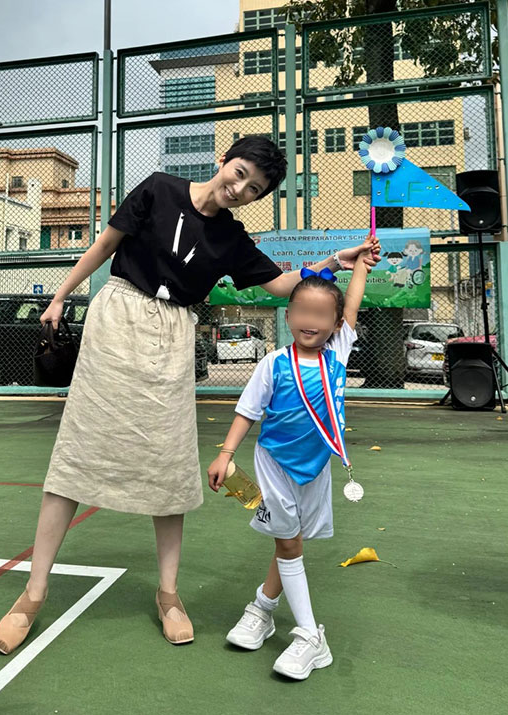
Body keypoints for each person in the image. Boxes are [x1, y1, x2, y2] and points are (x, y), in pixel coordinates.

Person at [0, 135, 379, 655]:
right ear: (224, 161)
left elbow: (283, 285)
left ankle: (169, 595)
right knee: (75, 456)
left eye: (255, 188)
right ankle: (32, 595)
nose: (240, 188)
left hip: (174, 337)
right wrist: (61, 295)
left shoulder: (234, 239)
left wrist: (338, 259)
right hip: (116, 319)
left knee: (169, 464)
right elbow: (106, 244)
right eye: (239, 173)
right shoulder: (158, 189)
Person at [207, 248, 370, 680]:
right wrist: (226, 454)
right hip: (273, 463)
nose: (309, 321)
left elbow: (352, 301)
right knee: (289, 543)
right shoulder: (274, 363)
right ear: (288, 313)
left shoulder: (339, 353)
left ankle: (262, 608)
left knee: (289, 541)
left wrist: (363, 268)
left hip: (316, 468)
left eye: (321, 314)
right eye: (300, 310)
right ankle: (310, 637)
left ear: (337, 326)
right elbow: (247, 412)